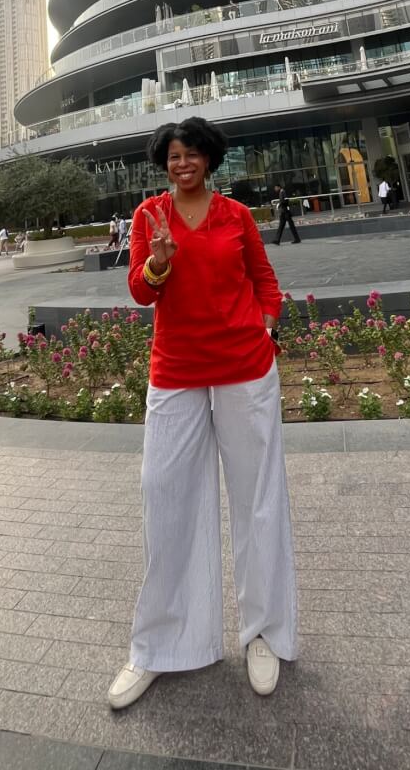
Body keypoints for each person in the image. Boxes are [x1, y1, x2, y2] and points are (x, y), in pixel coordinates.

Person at [108, 116, 297, 710]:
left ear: (209, 159)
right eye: (172, 155)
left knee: (257, 501)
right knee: (165, 498)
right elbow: (142, 291)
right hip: (177, 370)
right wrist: (160, 261)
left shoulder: (236, 216)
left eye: (191, 154)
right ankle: (160, 646)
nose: (181, 162)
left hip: (245, 366)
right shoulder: (148, 218)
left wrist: (266, 326)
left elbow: (265, 282)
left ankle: (263, 634)